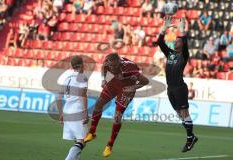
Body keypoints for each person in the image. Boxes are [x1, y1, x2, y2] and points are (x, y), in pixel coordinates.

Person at [84, 53, 149, 157]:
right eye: (111, 66)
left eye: (114, 66)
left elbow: (145, 81)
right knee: (98, 103)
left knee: (117, 117)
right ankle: (92, 132)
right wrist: (103, 79)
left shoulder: (129, 69)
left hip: (128, 87)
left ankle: (109, 145)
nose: (112, 68)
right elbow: (103, 68)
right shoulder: (107, 62)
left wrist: (133, 88)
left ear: (119, 63)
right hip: (116, 83)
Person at [157, 17, 198, 152]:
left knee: (184, 112)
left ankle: (189, 138)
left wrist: (181, 28)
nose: (175, 41)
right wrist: (165, 27)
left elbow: (185, 41)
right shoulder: (170, 54)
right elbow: (159, 41)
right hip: (170, 89)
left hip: (180, 87)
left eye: (178, 40)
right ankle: (191, 136)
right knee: (180, 114)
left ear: (182, 44)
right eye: (175, 40)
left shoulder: (184, 55)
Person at [57, 55, 89, 160]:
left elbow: (58, 97)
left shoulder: (67, 78)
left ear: (72, 66)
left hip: (67, 111)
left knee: (78, 141)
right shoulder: (82, 77)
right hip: (77, 111)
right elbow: (83, 95)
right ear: (82, 65)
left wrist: (61, 114)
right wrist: (85, 112)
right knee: (81, 142)